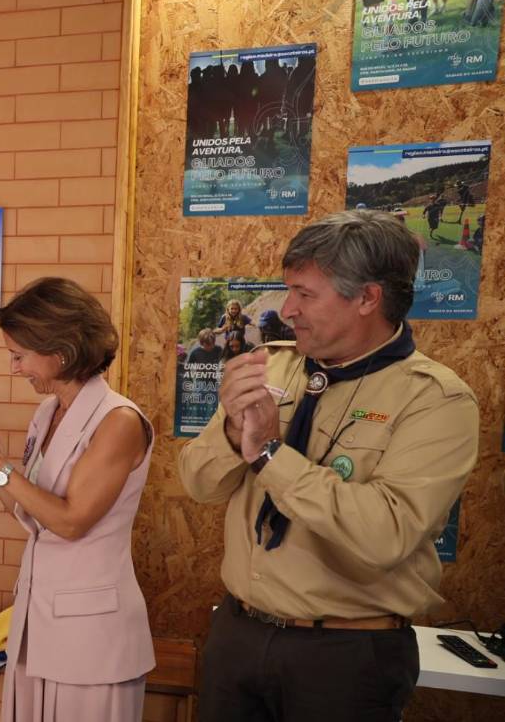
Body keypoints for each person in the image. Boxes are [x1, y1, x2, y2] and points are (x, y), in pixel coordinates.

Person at [179, 210, 479, 722]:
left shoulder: (436, 400)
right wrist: (232, 433)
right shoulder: (271, 364)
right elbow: (199, 485)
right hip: (238, 634)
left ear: (368, 298)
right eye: (288, 290)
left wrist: (272, 453)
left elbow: (385, 533)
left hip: (345, 655)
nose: (288, 309)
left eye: (305, 294)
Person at [0, 277, 154, 722]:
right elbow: (28, 512)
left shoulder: (118, 420)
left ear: (61, 350)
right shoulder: (47, 413)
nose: (14, 369)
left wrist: (0, 468)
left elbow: (72, 521)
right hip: (37, 623)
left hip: (92, 636)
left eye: (19, 357)